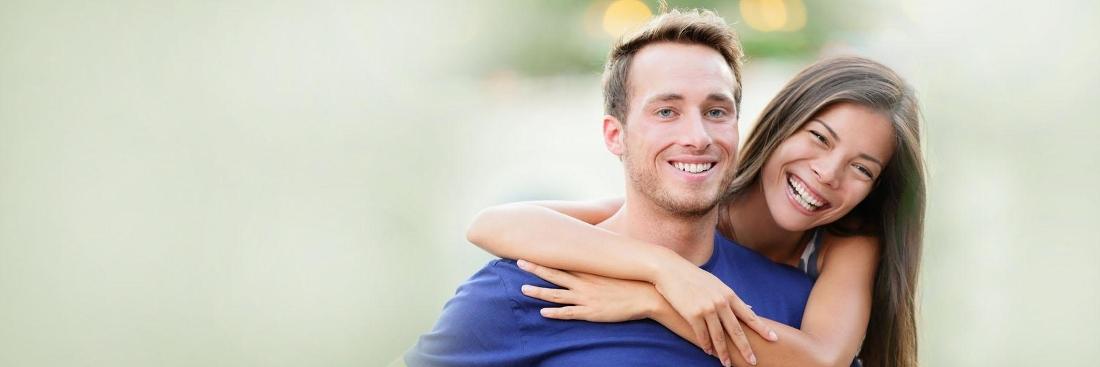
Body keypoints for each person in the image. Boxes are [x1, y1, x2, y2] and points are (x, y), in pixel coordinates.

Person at [405, 9, 815, 367]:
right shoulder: (525, 287)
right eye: (666, 111)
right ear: (615, 135)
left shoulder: (794, 303)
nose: (698, 135)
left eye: (716, 111)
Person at [465, 56, 926, 367]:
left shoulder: (851, 238)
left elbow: (821, 360)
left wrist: (656, 301)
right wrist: (669, 270)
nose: (828, 173)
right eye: (820, 138)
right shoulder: (701, 204)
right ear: (782, 125)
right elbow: (493, 224)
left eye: (861, 169)